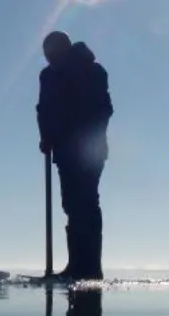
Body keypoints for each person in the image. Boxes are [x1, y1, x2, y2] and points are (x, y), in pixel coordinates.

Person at [36, 31, 113, 281]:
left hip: (89, 150)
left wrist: (80, 136)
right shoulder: (48, 76)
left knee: (85, 204)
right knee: (71, 205)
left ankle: (89, 268)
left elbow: (103, 109)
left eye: (52, 55)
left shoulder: (92, 70)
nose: (49, 60)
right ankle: (76, 266)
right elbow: (43, 109)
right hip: (63, 151)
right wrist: (46, 136)